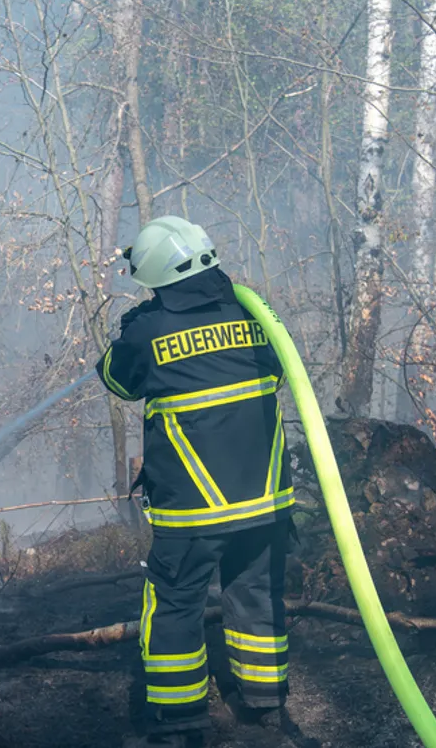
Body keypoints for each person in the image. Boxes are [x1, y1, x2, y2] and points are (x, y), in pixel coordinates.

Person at [99, 215, 296, 748]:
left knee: (174, 604)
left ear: (155, 275)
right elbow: (283, 372)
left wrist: (132, 329)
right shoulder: (253, 313)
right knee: (257, 594)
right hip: (264, 500)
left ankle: (179, 720)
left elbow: (117, 380)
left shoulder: (148, 331)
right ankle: (264, 705)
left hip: (194, 510)